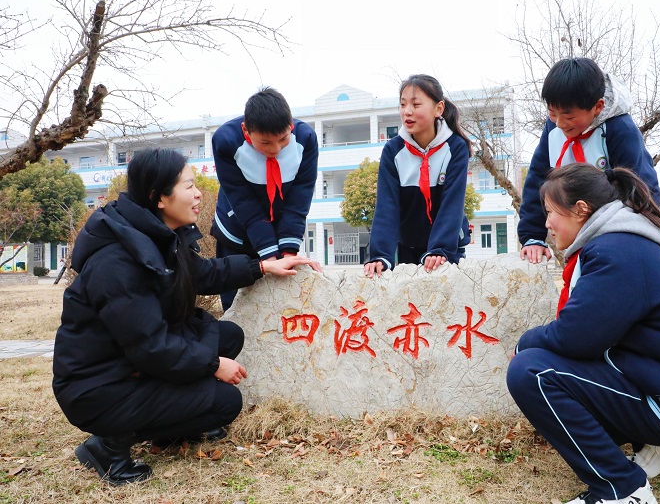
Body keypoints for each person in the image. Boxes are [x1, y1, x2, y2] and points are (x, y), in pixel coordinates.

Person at [52, 149, 319, 486]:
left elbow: (202, 273)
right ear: (159, 198)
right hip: (100, 386)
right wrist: (212, 365)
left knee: (229, 336)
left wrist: (262, 266)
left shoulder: (157, 234)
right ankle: (108, 445)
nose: (198, 194)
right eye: (189, 186)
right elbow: (150, 346)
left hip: (131, 362)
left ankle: (174, 423)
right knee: (225, 402)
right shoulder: (117, 262)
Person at [506, 164, 660, 504]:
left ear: (581, 210)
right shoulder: (624, 244)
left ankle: (622, 489)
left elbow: (576, 337)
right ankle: (645, 446)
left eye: (550, 213)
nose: (546, 223)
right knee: (552, 378)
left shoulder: (616, 252)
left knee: (531, 371)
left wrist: (523, 343)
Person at [517, 57, 660, 264]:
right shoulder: (553, 130)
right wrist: (532, 236)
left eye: (568, 116)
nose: (560, 124)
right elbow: (538, 180)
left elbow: (643, 188)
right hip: (576, 232)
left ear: (598, 107)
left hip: (617, 234)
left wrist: (637, 238)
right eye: (552, 113)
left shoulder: (620, 129)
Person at [212, 87, 319, 309]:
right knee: (238, 310)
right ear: (246, 130)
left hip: (281, 226)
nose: (276, 149)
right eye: (265, 143)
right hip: (237, 231)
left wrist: (288, 254)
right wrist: (270, 259)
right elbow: (242, 201)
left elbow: (299, 198)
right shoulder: (226, 142)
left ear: (290, 126)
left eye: (283, 139)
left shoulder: (306, 139)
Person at [364, 74, 471, 277]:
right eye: (403, 104)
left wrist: (440, 249)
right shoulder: (393, 151)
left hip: (447, 247)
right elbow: (387, 206)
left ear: (438, 109)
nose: (407, 112)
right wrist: (380, 255)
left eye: (416, 104)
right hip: (409, 245)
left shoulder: (456, 148)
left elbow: (452, 202)